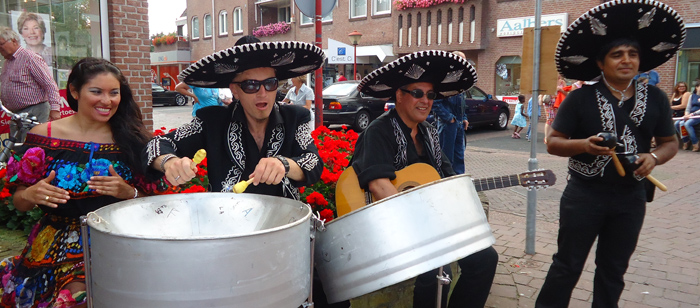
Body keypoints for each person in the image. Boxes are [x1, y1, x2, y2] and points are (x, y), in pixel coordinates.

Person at [141, 35, 344, 307]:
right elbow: (156, 144)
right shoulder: (212, 122)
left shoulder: (295, 119)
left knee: (324, 296)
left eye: (270, 84)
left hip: (285, 240)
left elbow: (312, 161)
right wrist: (168, 162)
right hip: (228, 243)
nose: (262, 93)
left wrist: (285, 164)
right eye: (251, 85)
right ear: (234, 89)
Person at [536, 1, 683, 307]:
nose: (626, 60)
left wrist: (654, 158)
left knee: (614, 270)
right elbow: (553, 142)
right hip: (584, 195)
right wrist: (584, 145)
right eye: (617, 55)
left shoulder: (655, 97)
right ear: (601, 64)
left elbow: (670, 142)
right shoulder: (579, 98)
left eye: (632, 54)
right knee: (567, 265)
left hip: (631, 199)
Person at [0, 57, 152, 307]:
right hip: (53, 246)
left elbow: (162, 207)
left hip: (116, 242)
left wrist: (130, 193)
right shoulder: (42, 137)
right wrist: (29, 195)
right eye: (96, 91)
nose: (107, 101)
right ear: (74, 91)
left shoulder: (133, 139)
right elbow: (20, 202)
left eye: (114, 93)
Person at [353, 50, 498, 308]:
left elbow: (448, 177)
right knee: (436, 269)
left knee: (486, 258)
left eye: (431, 95)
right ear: (399, 95)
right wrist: (420, 219)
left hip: (431, 223)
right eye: (418, 93)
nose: (426, 101)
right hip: (388, 225)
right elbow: (378, 184)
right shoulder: (378, 130)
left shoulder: (430, 132)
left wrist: (462, 191)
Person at [0, 27, 62, 136]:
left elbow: (49, 84)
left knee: (32, 148)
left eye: (1, 44)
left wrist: (55, 109)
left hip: (35, 111)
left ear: (13, 41)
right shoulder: (7, 62)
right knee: (18, 148)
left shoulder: (30, 58)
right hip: (17, 114)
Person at [432, 51, 470, 174]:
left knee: (459, 155)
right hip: (448, 124)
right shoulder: (444, 80)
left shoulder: (461, 80)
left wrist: (464, 117)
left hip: (457, 123)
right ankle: (445, 180)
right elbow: (435, 102)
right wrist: (449, 118)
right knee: (446, 157)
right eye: (462, 61)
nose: (465, 64)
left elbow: (462, 102)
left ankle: (458, 180)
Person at [674, 82, 700, 151]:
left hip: (697, 116)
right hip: (690, 115)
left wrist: (692, 114)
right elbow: (688, 108)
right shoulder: (692, 96)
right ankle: (686, 141)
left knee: (687, 124)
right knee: (677, 123)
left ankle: (695, 143)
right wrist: (686, 114)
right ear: (697, 87)